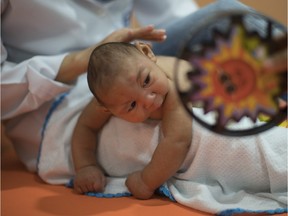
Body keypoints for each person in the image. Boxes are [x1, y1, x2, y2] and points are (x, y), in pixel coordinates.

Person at [71, 41, 193, 199]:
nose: (148, 99)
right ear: (107, 110)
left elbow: (178, 140)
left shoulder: (174, 91)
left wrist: (145, 181)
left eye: (146, 81)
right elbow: (86, 126)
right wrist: (85, 166)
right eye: (132, 105)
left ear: (147, 53)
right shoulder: (112, 96)